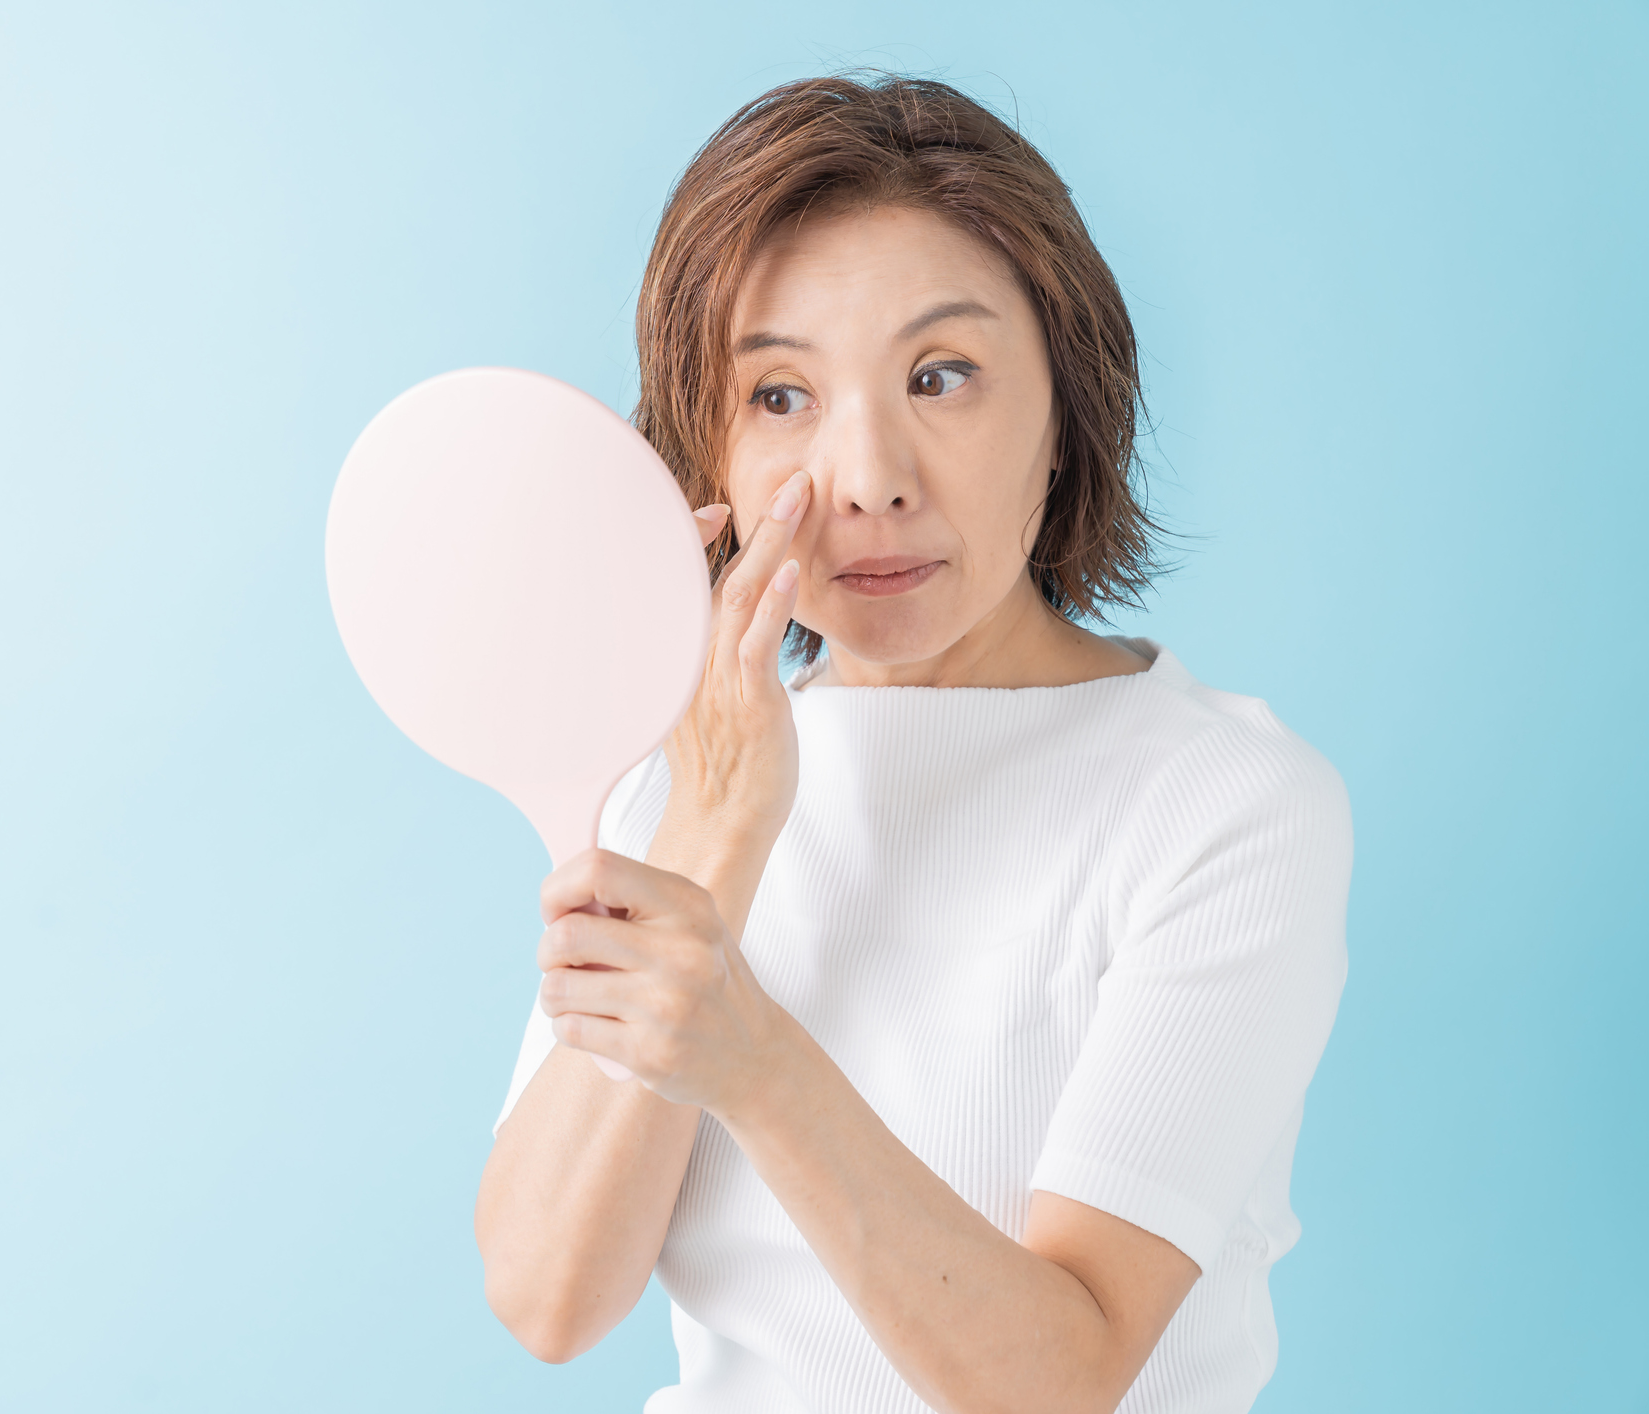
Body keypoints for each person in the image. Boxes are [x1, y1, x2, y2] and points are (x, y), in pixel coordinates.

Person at [474, 73, 1350, 1414]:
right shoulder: (678, 776)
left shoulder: (1224, 805)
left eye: (939, 377)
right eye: (779, 395)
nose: (869, 478)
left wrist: (752, 1058)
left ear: (1063, 414)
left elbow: (1058, 1383)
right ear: (706, 449)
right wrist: (715, 829)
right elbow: (548, 1299)